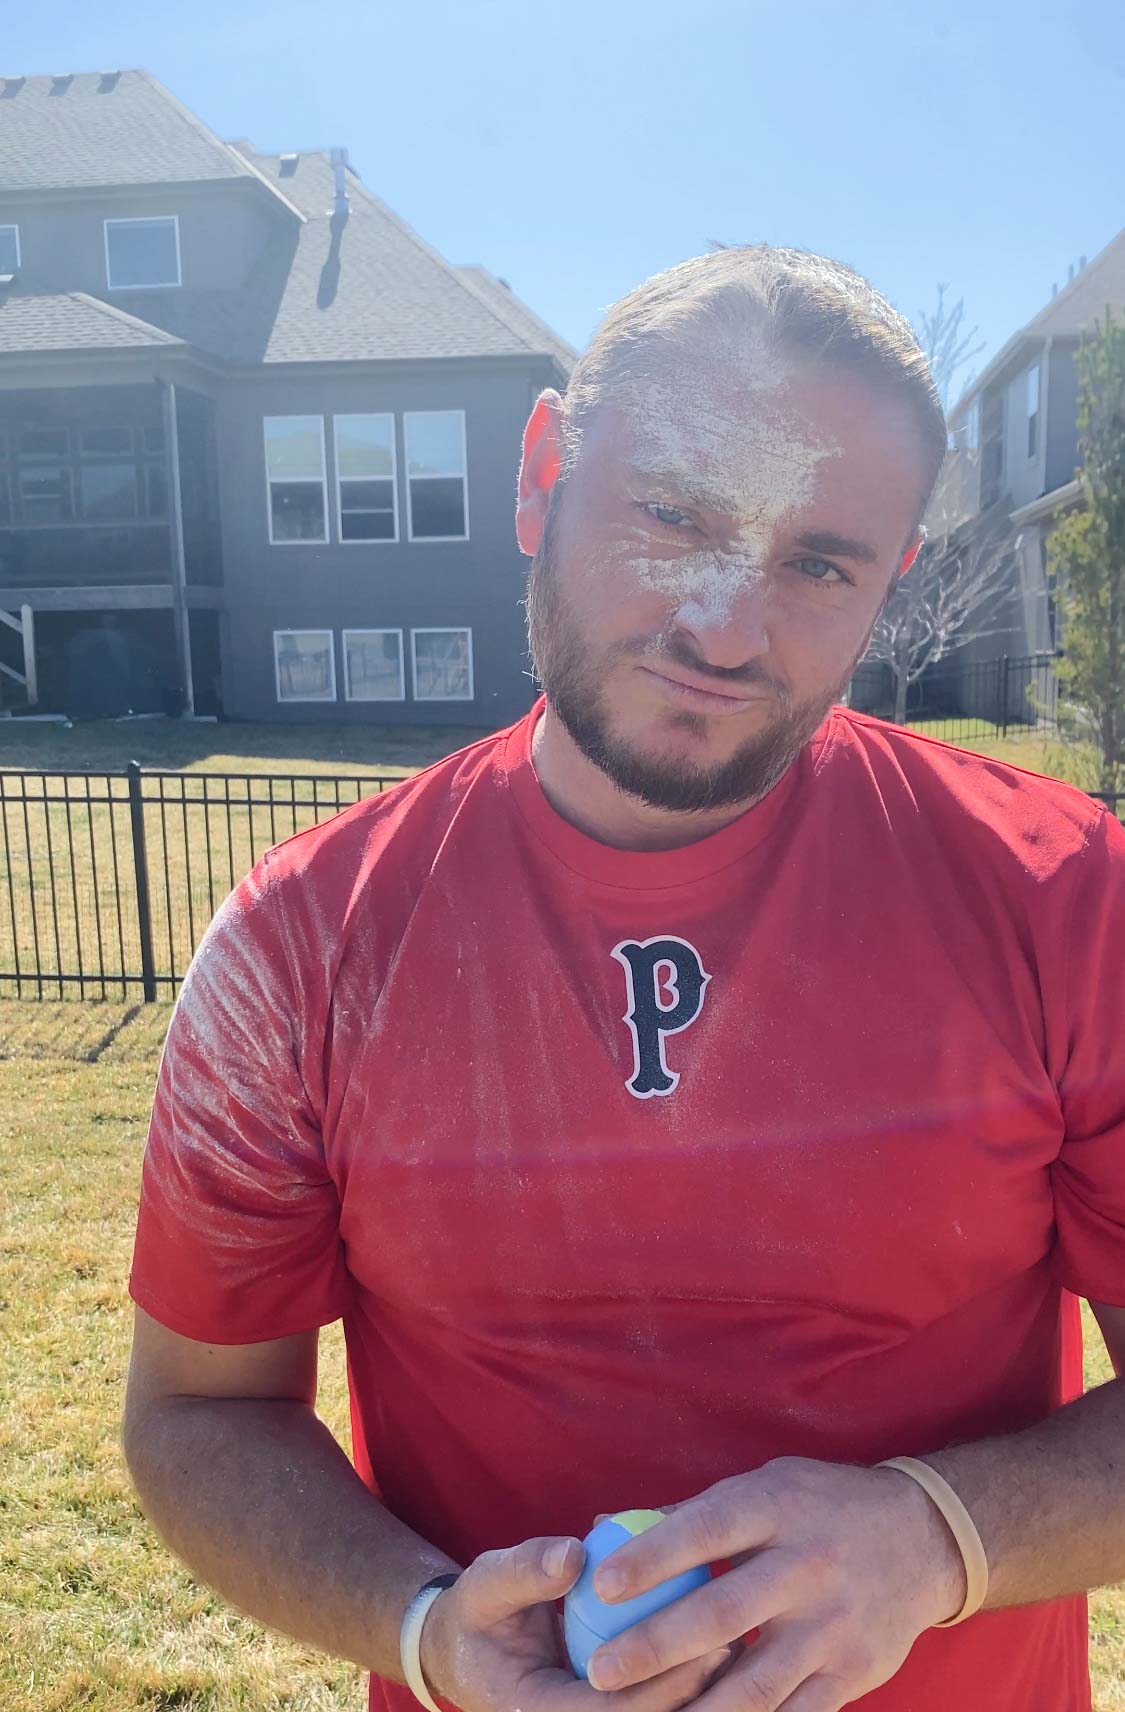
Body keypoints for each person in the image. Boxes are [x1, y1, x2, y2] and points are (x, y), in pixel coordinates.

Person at [124, 245, 1125, 1712]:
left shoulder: (1068, 897)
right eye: (670, 514)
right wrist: (423, 1628)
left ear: (895, 571)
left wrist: (937, 1537)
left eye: (817, 564)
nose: (723, 628)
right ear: (541, 471)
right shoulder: (301, 944)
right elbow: (199, 1416)